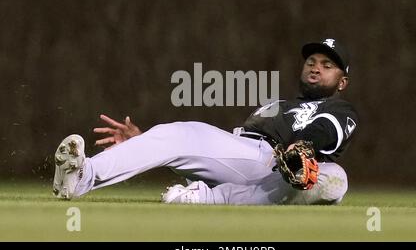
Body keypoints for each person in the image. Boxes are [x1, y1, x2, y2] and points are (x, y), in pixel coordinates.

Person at [53, 38, 358, 205]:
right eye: (311, 62)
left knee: (333, 179)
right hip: (248, 159)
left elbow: (325, 129)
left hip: (280, 172)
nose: (316, 68)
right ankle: (82, 175)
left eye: (327, 65)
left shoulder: (339, 108)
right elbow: (225, 152)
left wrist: (303, 146)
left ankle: (205, 198)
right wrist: (146, 142)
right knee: (176, 134)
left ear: (341, 82)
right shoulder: (279, 104)